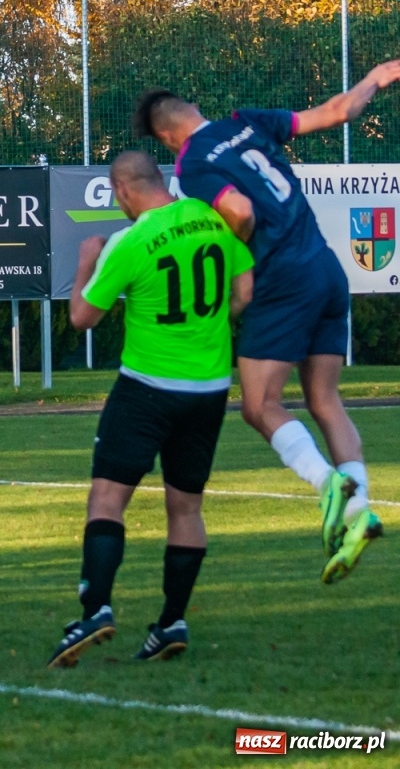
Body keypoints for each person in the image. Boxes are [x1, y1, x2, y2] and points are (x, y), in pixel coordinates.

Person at [135, 65, 400, 583]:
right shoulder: (247, 122)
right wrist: (381, 75)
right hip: (326, 268)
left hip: (282, 280)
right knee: (325, 402)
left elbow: (238, 211)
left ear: (167, 137)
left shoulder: (193, 164)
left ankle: (333, 490)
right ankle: (358, 511)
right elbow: (338, 111)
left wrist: (246, 271)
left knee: (259, 407)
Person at [46, 150, 253, 668]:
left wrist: (86, 260)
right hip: (207, 391)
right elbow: (244, 291)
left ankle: (95, 610)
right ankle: (171, 620)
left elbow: (81, 318)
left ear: (121, 191)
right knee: (186, 507)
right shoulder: (213, 219)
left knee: (108, 500)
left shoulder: (129, 241)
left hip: (145, 390)